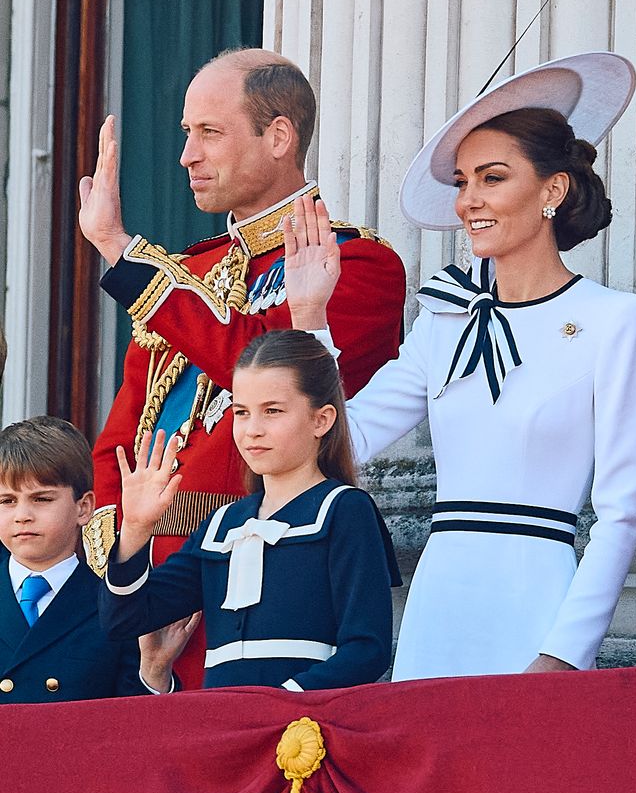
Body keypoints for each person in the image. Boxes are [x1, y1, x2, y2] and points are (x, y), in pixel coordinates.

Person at [286, 52, 636, 680]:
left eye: (491, 178)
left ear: (553, 190)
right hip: (440, 605)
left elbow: (623, 511)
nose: (468, 201)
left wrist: (566, 650)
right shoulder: (445, 317)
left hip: (541, 605)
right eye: (462, 182)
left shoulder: (617, 319)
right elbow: (347, 438)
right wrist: (311, 316)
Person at [78, 47, 405, 687]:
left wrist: (120, 250)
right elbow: (123, 436)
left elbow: (258, 361)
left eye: (209, 133)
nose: (187, 156)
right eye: (185, 134)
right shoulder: (187, 273)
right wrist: (128, 552)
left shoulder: (360, 265)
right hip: (149, 584)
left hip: (271, 573)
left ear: (278, 135)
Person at [100, 330, 400, 689]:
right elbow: (125, 620)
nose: (252, 430)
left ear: (321, 420)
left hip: (306, 731)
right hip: (225, 727)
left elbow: (368, 649)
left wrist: (284, 702)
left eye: (272, 411)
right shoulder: (221, 525)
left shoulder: (344, 510)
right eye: (241, 413)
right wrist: (134, 528)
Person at [0, 416, 190, 702]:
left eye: (42, 499)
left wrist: (154, 671)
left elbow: (129, 733)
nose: (22, 515)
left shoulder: (113, 609)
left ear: (84, 507)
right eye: (7, 501)